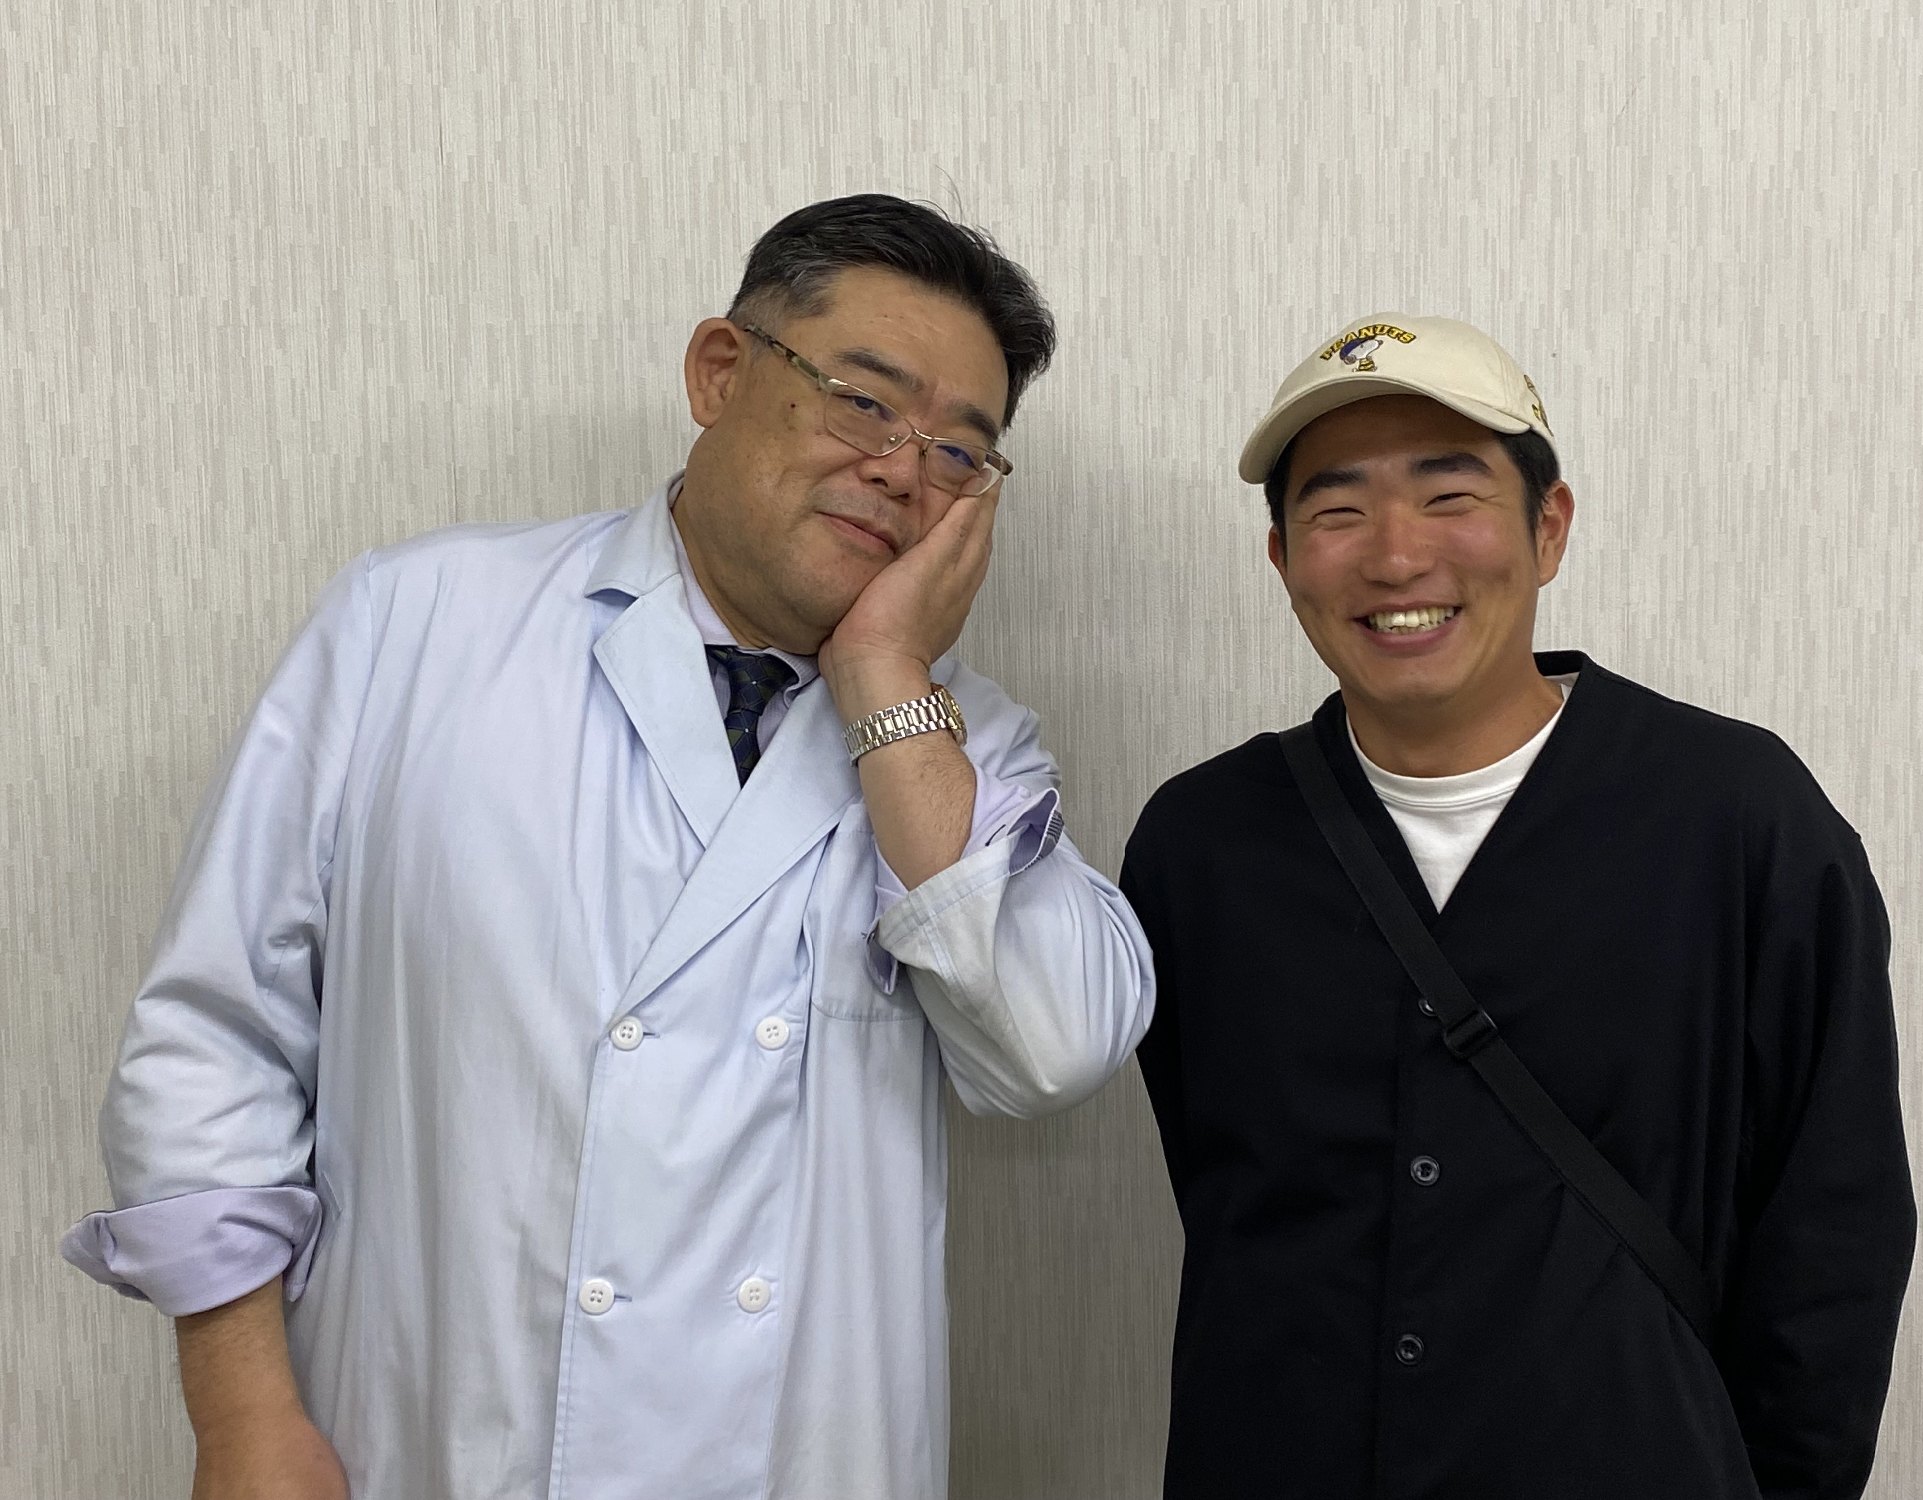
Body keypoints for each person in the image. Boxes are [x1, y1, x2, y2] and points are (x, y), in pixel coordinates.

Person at [63, 194, 1154, 1500]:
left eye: (957, 454)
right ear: (719, 372)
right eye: (864, 403)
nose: (901, 471)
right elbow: (216, 1033)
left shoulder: (957, 746)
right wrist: (241, 1415)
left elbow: (1052, 1050)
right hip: (433, 1449)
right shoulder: (419, 625)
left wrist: (880, 673)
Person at [1121, 313, 1916, 1499]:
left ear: (1547, 529)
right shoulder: (1202, 844)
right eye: (1336, 510)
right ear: (1281, 560)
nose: (1396, 556)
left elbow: (1833, 1227)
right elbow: (1223, 1193)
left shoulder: (1735, 817)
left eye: (1449, 496)